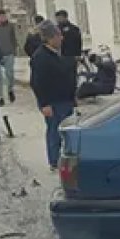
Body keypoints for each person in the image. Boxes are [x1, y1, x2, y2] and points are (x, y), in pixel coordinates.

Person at [29, 22, 78, 171]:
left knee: (67, 131)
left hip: (65, 99)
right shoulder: (41, 57)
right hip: (53, 102)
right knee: (55, 131)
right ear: (50, 38)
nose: (61, 38)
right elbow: (37, 83)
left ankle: (66, 158)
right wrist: (44, 104)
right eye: (58, 36)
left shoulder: (56, 54)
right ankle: (54, 161)